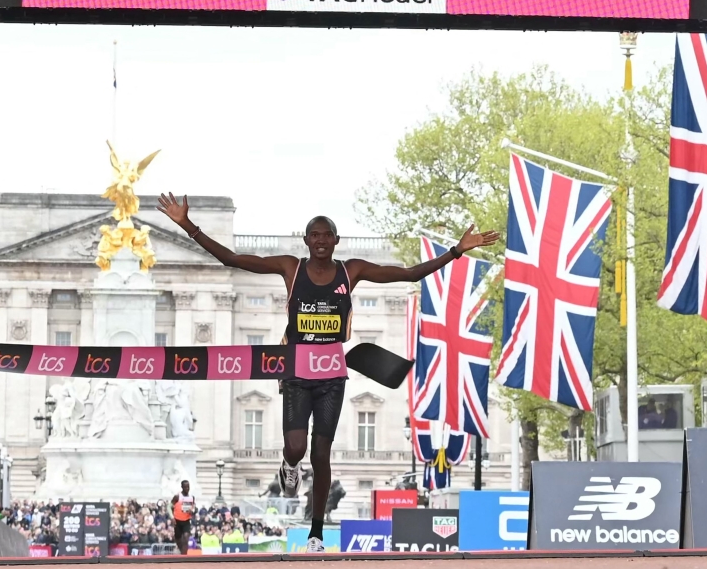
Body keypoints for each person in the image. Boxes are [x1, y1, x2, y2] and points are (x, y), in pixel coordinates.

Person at [157, 193, 497, 552]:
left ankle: (316, 533)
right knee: (296, 446)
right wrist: (187, 226)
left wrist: (456, 251)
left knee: (321, 455)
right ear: (307, 241)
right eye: (314, 235)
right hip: (296, 371)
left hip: (332, 374)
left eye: (327, 235)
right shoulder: (291, 267)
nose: (320, 240)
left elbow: (410, 273)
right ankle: (288, 467)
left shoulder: (352, 271)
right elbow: (232, 258)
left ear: (336, 241)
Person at [170, 480, 195, 555]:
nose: (187, 488)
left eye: (188, 487)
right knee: (178, 539)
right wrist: (172, 517)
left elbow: (194, 507)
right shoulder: (177, 497)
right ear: (182, 487)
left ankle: (184, 557)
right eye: (185, 487)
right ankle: (182, 552)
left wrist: (193, 510)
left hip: (186, 521)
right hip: (177, 521)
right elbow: (169, 506)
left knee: (186, 537)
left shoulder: (192, 497)